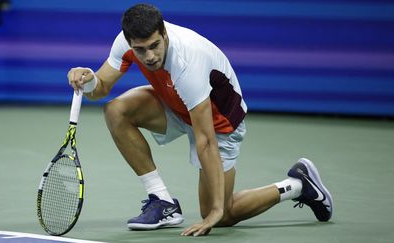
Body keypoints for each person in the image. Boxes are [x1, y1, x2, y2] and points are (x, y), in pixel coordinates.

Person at [67, 4, 333, 237]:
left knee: (224, 214)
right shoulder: (127, 42)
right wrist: (88, 78)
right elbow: (100, 88)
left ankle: (298, 185)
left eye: (154, 46)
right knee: (116, 111)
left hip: (220, 123)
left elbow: (206, 141)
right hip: (177, 104)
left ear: (164, 34)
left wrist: (215, 211)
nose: (149, 56)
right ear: (129, 42)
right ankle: (162, 202)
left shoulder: (187, 62)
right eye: (140, 50)